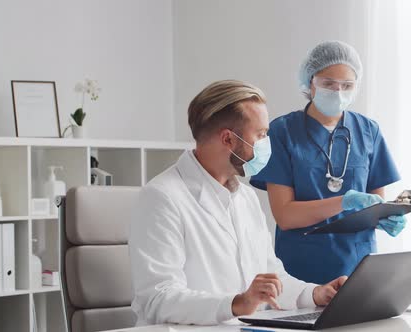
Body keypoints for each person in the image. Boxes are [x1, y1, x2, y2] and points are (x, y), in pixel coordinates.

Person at [129, 80, 347, 326]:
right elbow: (158, 299)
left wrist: (315, 293)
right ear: (228, 140)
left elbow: (271, 279)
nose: (267, 144)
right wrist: (236, 304)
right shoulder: (161, 197)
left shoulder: (245, 197)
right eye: (261, 135)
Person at [250, 41, 406, 284]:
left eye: (347, 86)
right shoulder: (282, 132)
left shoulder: (368, 131)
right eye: (328, 84)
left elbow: (374, 203)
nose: (338, 92)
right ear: (310, 83)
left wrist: (385, 218)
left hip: (359, 267)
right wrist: (343, 202)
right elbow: (285, 216)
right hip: (303, 270)